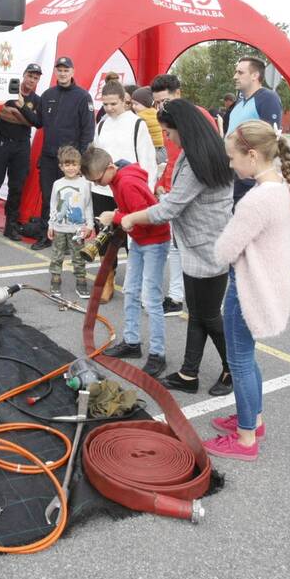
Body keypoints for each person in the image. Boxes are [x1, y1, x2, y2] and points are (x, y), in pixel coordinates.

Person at [119, 99, 234, 397]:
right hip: (198, 247)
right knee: (197, 314)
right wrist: (165, 193)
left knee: (208, 316)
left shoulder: (198, 161)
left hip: (209, 250)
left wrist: (132, 216)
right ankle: (188, 373)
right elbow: (178, 197)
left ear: (183, 129)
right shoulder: (196, 152)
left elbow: (168, 210)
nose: (167, 138)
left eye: (169, 132)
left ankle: (233, 367)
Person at [205, 119, 290, 460]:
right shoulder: (279, 188)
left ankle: (246, 438)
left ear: (251, 155)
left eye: (233, 158)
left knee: (240, 362)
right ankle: (253, 419)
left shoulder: (256, 200)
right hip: (263, 287)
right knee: (247, 358)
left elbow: (224, 251)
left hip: (245, 288)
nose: (231, 165)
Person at [83, 146, 171, 378]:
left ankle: (157, 354)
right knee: (131, 291)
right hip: (141, 240)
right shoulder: (117, 180)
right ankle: (132, 342)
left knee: (151, 299)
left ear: (110, 168)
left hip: (153, 241)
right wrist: (120, 214)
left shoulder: (126, 183)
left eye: (99, 179)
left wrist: (116, 217)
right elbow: (133, 212)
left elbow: (147, 218)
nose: (99, 185)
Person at [151, 74, 223, 317]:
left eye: (165, 100)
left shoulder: (197, 117)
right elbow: (170, 158)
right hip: (173, 187)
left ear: (178, 93)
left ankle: (205, 299)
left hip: (192, 193)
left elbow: (207, 156)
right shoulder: (168, 121)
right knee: (175, 246)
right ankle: (176, 296)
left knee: (195, 247)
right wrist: (162, 182)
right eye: (157, 102)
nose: (161, 106)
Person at [91, 74, 158, 302]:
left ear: (124, 101)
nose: (109, 108)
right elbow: (95, 155)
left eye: (113, 104)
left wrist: (146, 192)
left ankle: (137, 283)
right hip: (102, 190)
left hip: (129, 189)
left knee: (134, 237)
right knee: (105, 237)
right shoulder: (101, 124)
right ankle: (108, 280)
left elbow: (148, 160)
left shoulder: (137, 123)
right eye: (105, 104)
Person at [0, 63, 42, 240]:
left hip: (22, 146)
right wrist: (22, 117)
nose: (32, 80)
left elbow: (37, 122)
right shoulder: (7, 92)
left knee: (16, 187)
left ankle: (10, 227)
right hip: (1, 143)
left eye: (35, 78)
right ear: (24, 75)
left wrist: (20, 109)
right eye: (30, 76)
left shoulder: (37, 99)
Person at [32, 56, 96, 250]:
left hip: (71, 161)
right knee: (48, 198)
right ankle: (46, 236)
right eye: (59, 70)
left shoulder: (83, 96)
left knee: (73, 201)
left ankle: (74, 240)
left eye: (66, 69)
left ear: (72, 72)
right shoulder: (47, 94)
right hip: (49, 158)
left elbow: (88, 130)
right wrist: (22, 103)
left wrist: (80, 160)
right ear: (55, 72)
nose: (62, 73)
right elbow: (38, 122)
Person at [225, 56, 285, 203]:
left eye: (240, 72)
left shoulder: (267, 98)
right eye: (235, 72)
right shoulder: (239, 103)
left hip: (250, 180)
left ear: (255, 75)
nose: (235, 76)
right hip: (233, 174)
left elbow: (270, 140)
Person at [47, 145, 94, 298]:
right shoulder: (57, 184)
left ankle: (81, 282)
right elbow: (54, 205)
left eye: (74, 164)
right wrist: (51, 225)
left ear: (79, 166)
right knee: (57, 256)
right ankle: (55, 280)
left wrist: (90, 225)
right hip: (60, 228)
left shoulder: (85, 184)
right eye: (67, 165)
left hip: (78, 230)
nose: (71, 168)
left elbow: (88, 206)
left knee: (79, 257)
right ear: (61, 166)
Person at [131, 86, 166, 166]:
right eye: (133, 104)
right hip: (162, 148)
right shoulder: (156, 112)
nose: (133, 107)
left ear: (146, 103)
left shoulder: (139, 117)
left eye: (136, 104)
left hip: (151, 149)